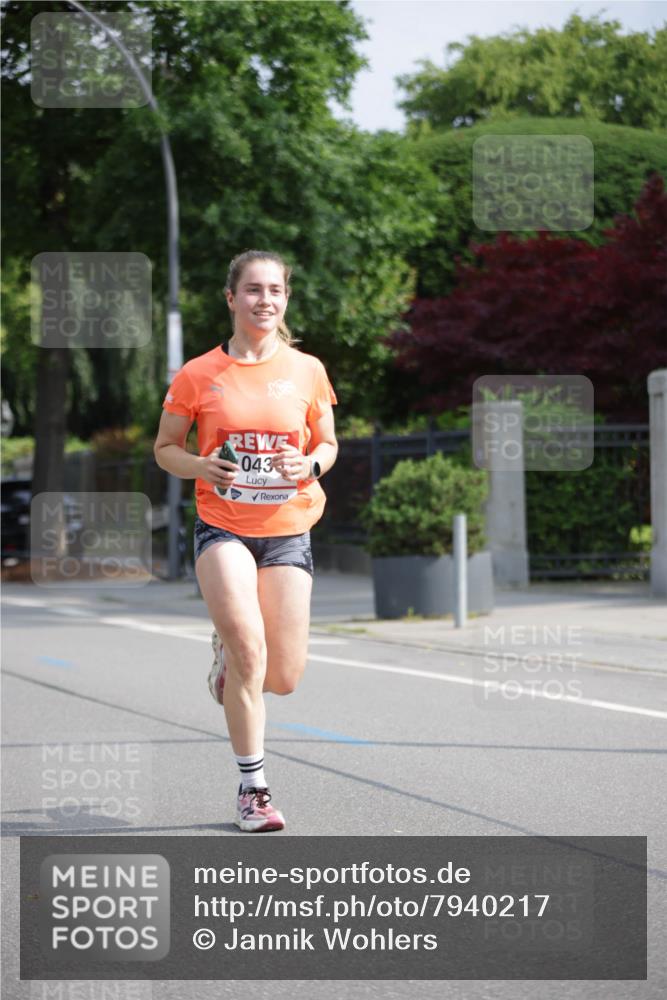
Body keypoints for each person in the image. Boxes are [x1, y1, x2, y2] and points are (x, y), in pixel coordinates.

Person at [153, 250, 338, 831]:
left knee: (281, 676)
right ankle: (253, 791)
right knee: (250, 652)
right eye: (254, 289)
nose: (266, 300)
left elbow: (327, 445)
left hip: (287, 530)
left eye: (276, 290)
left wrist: (307, 464)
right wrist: (201, 466)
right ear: (231, 298)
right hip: (223, 526)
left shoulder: (307, 370)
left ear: (286, 299)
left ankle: (227, 661)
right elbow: (165, 450)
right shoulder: (198, 374)